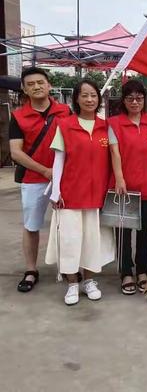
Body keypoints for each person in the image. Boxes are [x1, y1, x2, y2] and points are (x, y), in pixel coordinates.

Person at [45, 79, 115, 305]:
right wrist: (56, 192)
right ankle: (72, 283)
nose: (89, 99)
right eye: (84, 95)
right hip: (71, 194)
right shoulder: (65, 125)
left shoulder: (106, 127)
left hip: (97, 195)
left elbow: (115, 159)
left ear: (99, 98)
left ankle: (89, 281)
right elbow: (58, 161)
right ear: (76, 98)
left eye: (93, 95)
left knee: (93, 241)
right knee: (70, 241)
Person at [9, 66, 70, 293]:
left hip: (63, 179)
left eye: (40, 82)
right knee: (32, 225)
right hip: (33, 179)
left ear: (49, 85)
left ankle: (69, 267)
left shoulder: (65, 111)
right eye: (31, 84)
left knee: (66, 224)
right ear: (24, 89)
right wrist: (44, 170)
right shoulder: (17, 116)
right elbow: (16, 152)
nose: (36, 86)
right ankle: (31, 270)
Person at [108, 79, 147, 295]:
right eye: (130, 98)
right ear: (124, 100)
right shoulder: (114, 123)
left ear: (144, 99)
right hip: (124, 189)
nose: (135, 102)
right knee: (123, 233)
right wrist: (119, 178)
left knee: (145, 232)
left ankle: (143, 271)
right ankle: (126, 272)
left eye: (139, 98)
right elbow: (114, 152)